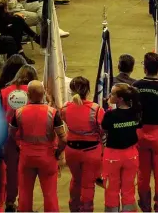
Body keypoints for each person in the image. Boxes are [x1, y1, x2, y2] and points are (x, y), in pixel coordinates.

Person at [9, 80, 66, 213]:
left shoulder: (19, 112)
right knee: (50, 194)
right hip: (48, 158)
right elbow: (63, 138)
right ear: (44, 94)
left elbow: (11, 134)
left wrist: (19, 146)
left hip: (26, 157)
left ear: (28, 94)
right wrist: (58, 153)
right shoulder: (53, 113)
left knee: (24, 194)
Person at [134, 52, 158, 212]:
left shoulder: (135, 86)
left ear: (144, 67)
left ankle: (145, 207)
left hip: (140, 134)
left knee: (142, 174)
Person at [61, 76, 104, 212]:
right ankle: (86, 209)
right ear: (88, 90)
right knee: (87, 185)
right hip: (91, 152)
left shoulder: (65, 108)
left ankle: (74, 208)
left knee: (75, 180)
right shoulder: (96, 109)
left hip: (71, 150)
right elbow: (103, 130)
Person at [0, 63, 37, 211]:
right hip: (28, 138)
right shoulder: (34, 92)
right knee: (27, 173)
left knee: (10, 171)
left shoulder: (4, 92)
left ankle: (9, 202)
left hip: (8, 137)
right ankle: (24, 204)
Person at [102, 83, 142, 213]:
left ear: (119, 99)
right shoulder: (135, 113)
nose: (110, 96)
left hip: (113, 156)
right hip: (131, 155)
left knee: (111, 188)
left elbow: (104, 128)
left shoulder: (110, 115)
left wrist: (108, 108)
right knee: (129, 188)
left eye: (112, 94)